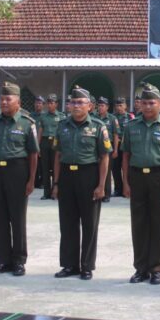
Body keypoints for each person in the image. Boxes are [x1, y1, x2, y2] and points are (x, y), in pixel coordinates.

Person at [121, 83, 160, 285]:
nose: (147, 107)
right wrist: (125, 182)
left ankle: (156, 268)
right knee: (138, 224)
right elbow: (126, 156)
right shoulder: (131, 127)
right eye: (144, 103)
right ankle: (140, 268)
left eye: (152, 103)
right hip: (137, 177)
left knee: (159, 224)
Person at [52, 86, 111, 280]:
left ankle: (86, 265)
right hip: (67, 176)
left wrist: (102, 185)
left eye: (80, 102)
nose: (76, 106)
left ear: (90, 106)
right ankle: (69, 265)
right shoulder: (62, 126)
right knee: (67, 223)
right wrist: (56, 183)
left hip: (89, 175)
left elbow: (104, 157)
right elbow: (58, 155)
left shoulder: (98, 127)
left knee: (89, 223)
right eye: (73, 102)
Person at [0, 82, 39, 277]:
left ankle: (18, 261)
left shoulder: (27, 123)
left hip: (17, 171)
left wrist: (31, 180)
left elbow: (33, 154)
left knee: (17, 217)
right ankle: (2, 260)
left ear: (17, 102)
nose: (4, 102)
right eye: (2, 99)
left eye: (8, 99)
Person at [39, 94, 66, 200]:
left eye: (52, 103)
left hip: (56, 143)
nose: (50, 105)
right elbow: (40, 131)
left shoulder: (62, 116)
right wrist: (38, 146)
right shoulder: (43, 116)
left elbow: (63, 132)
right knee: (45, 168)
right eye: (48, 103)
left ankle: (56, 191)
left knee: (56, 168)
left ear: (56, 104)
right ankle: (46, 192)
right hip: (45, 142)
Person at [94, 96, 119, 203]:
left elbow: (115, 135)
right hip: (96, 148)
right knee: (96, 170)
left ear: (107, 107)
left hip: (109, 147)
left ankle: (107, 194)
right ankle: (98, 191)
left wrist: (115, 150)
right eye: (99, 105)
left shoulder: (112, 119)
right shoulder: (94, 118)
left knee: (107, 171)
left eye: (102, 105)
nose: (100, 108)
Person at [112, 97, 135, 196]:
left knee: (127, 168)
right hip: (115, 145)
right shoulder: (112, 117)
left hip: (127, 146)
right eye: (117, 105)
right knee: (115, 168)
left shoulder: (130, 117)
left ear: (125, 106)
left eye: (121, 105)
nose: (118, 107)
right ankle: (118, 189)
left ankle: (128, 188)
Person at [31, 96, 45, 189]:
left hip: (43, 142)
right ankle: (34, 181)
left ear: (43, 105)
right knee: (32, 162)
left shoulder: (45, 116)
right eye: (36, 103)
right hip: (32, 140)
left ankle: (42, 182)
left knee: (42, 164)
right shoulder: (31, 115)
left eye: (40, 103)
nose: (38, 105)